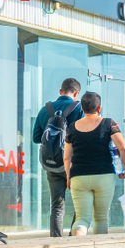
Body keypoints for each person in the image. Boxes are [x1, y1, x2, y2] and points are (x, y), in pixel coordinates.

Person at [63, 91, 125, 236]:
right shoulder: (108, 124)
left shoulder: (72, 128)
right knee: (100, 219)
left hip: (79, 177)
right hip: (104, 176)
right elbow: (123, 148)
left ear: (82, 108)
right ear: (99, 108)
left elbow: (67, 157)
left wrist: (68, 176)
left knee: (81, 219)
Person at [32, 78, 84, 237]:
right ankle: (74, 239)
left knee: (57, 206)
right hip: (73, 165)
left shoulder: (45, 109)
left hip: (52, 164)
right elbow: (82, 137)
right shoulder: (78, 109)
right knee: (80, 206)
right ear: (76, 93)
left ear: (60, 91)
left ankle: (56, 242)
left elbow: (36, 138)